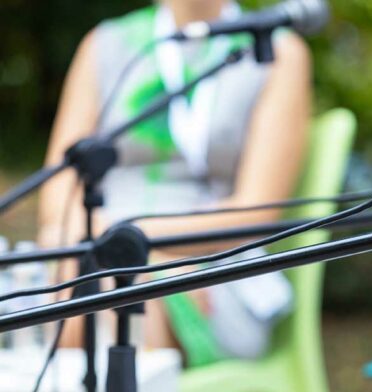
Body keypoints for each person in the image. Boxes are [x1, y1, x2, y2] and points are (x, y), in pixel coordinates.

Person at [37, 0, 310, 349]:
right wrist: (109, 245)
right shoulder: (104, 44)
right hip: (95, 249)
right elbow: (60, 188)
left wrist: (132, 244)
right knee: (87, 287)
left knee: (121, 295)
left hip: (211, 265)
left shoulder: (277, 50)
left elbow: (255, 212)